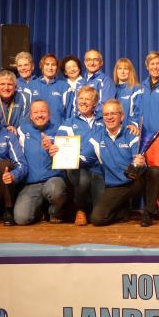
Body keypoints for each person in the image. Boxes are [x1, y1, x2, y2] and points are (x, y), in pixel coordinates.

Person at [83, 99, 159, 227]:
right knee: (97, 219)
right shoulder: (96, 138)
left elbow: (139, 162)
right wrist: (61, 153)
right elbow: (83, 158)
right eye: (106, 114)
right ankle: (122, 212)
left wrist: (140, 162)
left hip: (135, 182)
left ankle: (148, 213)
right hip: (115, 186)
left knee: (154, 172)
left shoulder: (131, 134)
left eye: (113, 113)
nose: (109, 117)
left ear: (122, 116)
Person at [14, 100, 67, 225]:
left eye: (43, 111)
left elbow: (69, 154)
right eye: (36, 112)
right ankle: (39, 211)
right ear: (31, 116)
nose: (40, 115)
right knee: (21, 219)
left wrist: (54, 148)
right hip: (31, 184)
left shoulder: (60, 129)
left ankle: (54, 212)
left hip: (53, 179)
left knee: (55, 191)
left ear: (49, 114)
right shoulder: (22, 130)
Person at [58, 86, 105, 226]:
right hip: (77, 166)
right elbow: (60, 146)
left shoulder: (103, 121)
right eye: (81, 98)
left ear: (95, 103)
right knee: (83, 178)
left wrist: (130, 126)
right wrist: (53, 148)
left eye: (88, 99)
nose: (83, 102)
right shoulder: (69, 123)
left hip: (98, 167)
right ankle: (80, 210)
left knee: (100, 214)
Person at [141, 51, 159, 218]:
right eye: (152, 64)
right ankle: (153, 206)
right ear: (147, 66)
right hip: (143, 138)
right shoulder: (141, 86)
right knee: (147, 173)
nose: (155, 67)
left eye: (158, 64)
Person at [31, 54, 71, 123]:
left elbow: (69, 112)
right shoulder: (32, 85)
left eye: (53, 65)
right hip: (36, 128)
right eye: (47, 64)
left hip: (58, 128)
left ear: (57, 68)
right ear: (42, 66)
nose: (50, 67)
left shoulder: (64, 86)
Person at [113, 58, 143, 136]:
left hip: (130, 132)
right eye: (120, 68)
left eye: (126, 69)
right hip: (114, 132)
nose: (122, 71)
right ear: (116, 71)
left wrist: (134, 125)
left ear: (130, 71)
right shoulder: (112, 89)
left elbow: (139, 112)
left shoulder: (136, 89)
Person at [82, 49, 115, 117]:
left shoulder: (106, 81)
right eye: (88, 60)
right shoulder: (80, 81)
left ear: (101, 63)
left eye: (95, 60)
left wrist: (90, 118)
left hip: (96, 121)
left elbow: (105, 106)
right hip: (79, 121)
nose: (92, 63)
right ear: (85, 62)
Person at [61, 55, 84, 119]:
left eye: (74, 66)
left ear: (79, 69)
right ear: (65, 72)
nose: (72, 69)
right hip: (66, 121)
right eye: (68, 68)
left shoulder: (86, 84)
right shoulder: (62, 86)